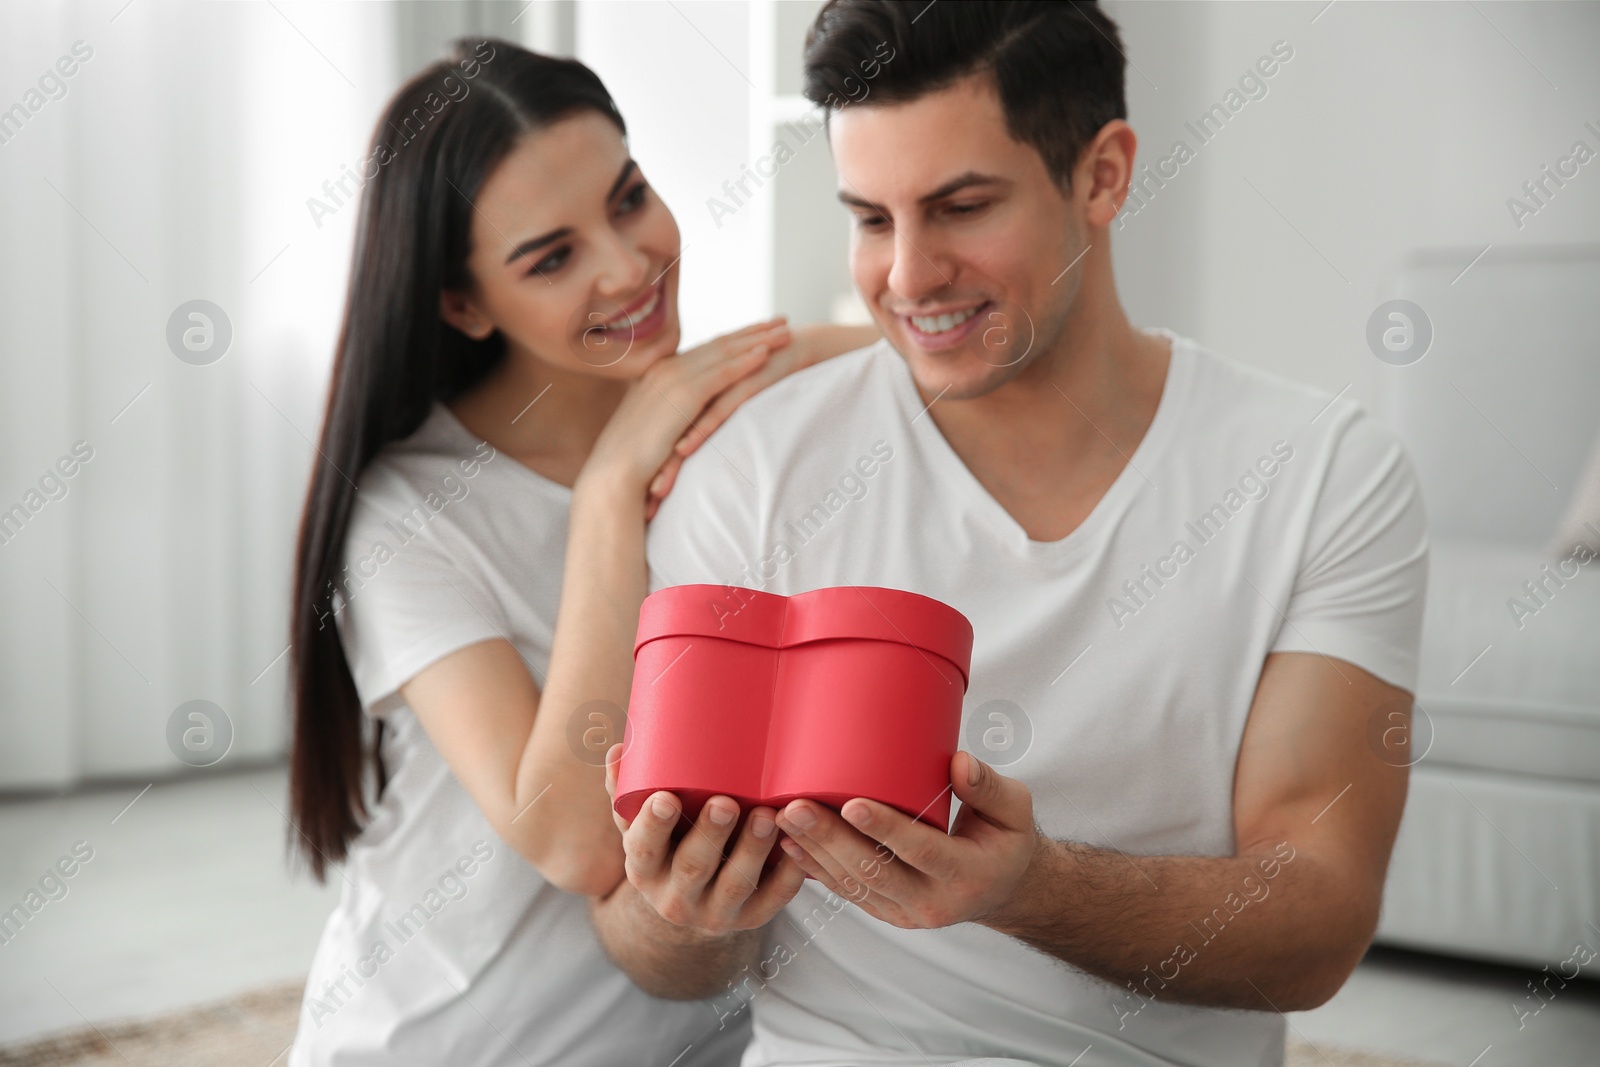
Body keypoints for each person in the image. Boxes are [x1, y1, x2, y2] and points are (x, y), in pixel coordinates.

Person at [589, 3, 1429, 1066]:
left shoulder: (1319, 473)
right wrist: (686, 911)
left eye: (960, 206)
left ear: (1103, 175)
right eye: (871, 217)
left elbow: (1316, 921)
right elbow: (645, 944)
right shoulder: (752, 468)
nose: (905, 277)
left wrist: (1030, 888)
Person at [284, 39, 875, 1066]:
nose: (626, 263)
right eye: (551, 257)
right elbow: (573, 839)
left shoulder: (725, 402)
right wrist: (608, 495)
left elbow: (933, 349)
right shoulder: (408, 510)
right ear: (462, 304)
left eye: (629, 196)